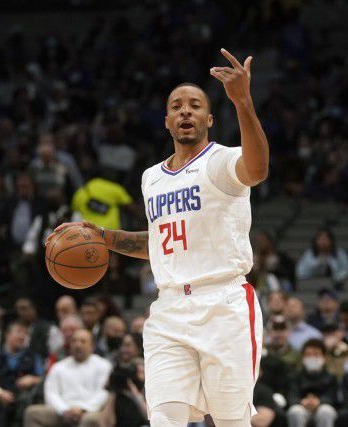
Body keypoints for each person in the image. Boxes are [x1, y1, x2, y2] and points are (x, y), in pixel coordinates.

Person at [49, 48, 270, 426]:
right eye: (177, 106)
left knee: (232, 421)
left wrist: (243, 102)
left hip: (224, 304)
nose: (186, 111)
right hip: (169, 309)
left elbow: (258, 168)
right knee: (164, 419)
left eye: (196, 105)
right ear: (167, 120)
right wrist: (100, 235)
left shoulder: (221, 160)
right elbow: (157, 242)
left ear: (209, 118)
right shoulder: (151, 178)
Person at [23, 329, 112, 427]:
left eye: (83, 341)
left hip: (90, 411)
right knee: (32, 413)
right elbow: (51, 393)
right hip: (62, 411)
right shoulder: (58, 367)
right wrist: (64, 410)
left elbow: (103, 393)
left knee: (90, 420)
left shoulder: (104, 365)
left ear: (92, 346)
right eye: (74, 341)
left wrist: (82, 409)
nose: (78, 345)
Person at [0, 321, 44, 427]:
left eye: (25, 333)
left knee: (27, 400)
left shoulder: (33, 356)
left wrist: (32, 379)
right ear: (8, 335)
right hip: (1, 391)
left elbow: (43, 379)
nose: (22, 336)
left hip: (23, 394)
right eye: (18, 332)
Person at [286, 338, 338, 427]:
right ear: (302, 358)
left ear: (324, 357)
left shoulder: (331, 377)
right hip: (301, 406)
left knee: (326, 411)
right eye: (308, 355)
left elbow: (333, 398)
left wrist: (318, 402)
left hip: (322, 407)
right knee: (295, 411)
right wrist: (303, 402)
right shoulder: (295, 377)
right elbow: (291, 397)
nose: (312, 358)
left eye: (316, 354)